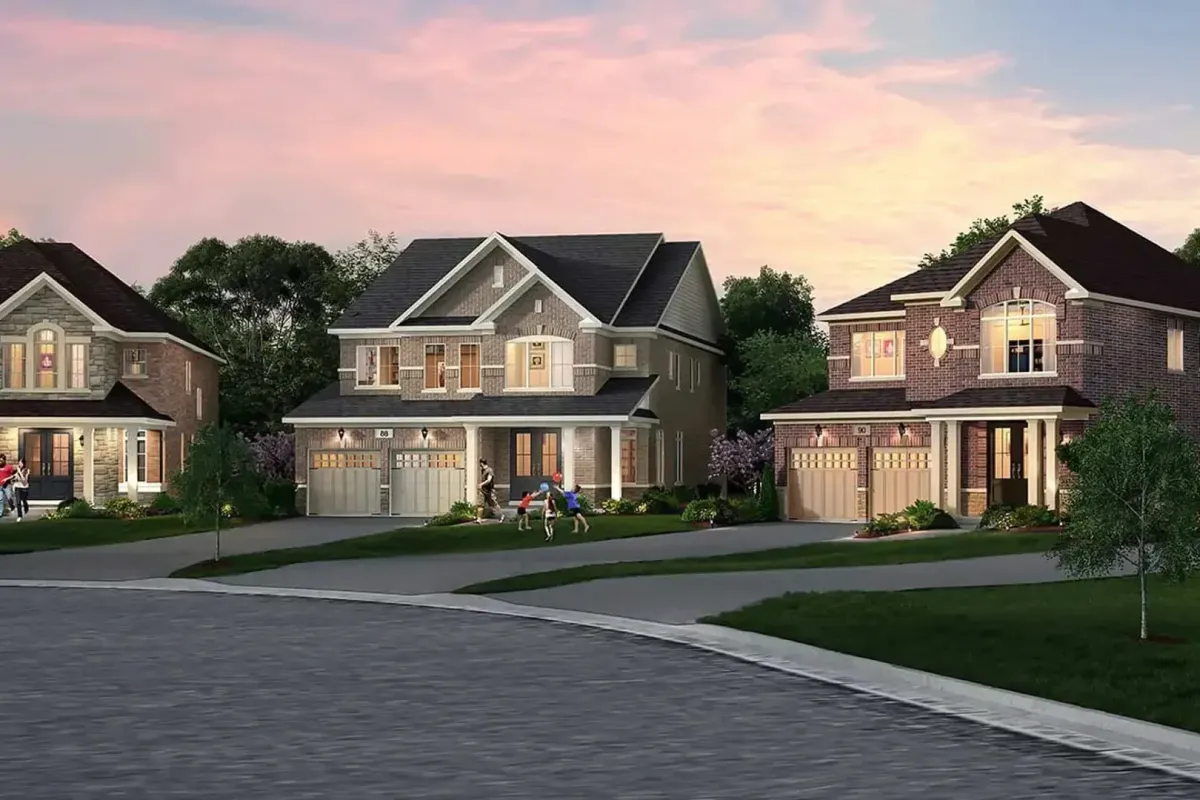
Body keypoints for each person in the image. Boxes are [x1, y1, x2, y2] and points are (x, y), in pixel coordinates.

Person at [474, 458, 505, 523]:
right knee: (480, 504)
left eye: (480, 463)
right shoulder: (483, 470)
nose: (479, 465)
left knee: (494, 504)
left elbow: (489, 480)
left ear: (481, 463)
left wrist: (481, 484)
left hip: (489, 491)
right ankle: (478, 519)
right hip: (483, 491)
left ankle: (501, 515)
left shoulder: (489, 470)